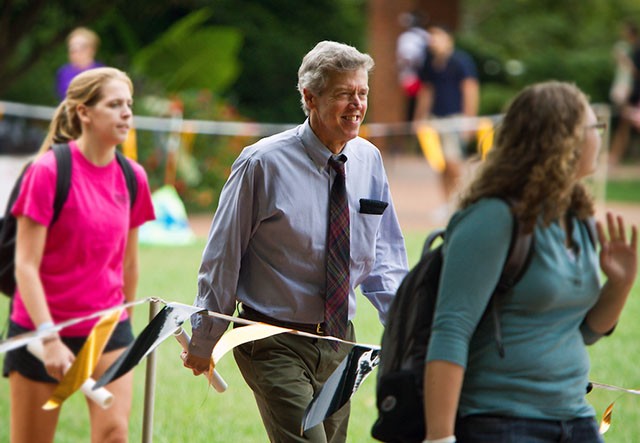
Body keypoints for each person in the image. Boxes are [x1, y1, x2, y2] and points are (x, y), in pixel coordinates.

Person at [182, 41, 408, 442]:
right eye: (343, 94)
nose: (356, 104)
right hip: (270, 339)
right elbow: (223, 256)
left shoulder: (369, 160)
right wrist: (205, 337)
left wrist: (408, 330)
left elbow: (385, 259)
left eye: (362, 93)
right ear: (310, 97)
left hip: (341, 342)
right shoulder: (261, 164)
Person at [423, 81, 637, 443]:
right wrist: (440, 437)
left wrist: (619, 285)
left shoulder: (577, 215)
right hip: (502, 422)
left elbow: (582, 332)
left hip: (574, 417)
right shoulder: (493, 217)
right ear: (561, 139)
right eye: (593, 128)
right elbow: (451, 328)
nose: (600, 138)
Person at [3, 67, 155, 442]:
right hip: (41, 332)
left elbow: (130, 262)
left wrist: (125, 323)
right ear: (84, 112)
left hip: (105, 327)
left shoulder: (133, 176)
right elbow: (25, 265)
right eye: (115, 105)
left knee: (115, 433)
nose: (126, 114)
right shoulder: (46, 171)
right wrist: (50, 338)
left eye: (129, 105)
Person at [413, 24, 479, 209]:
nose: (433, 41)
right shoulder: (429, 63)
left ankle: (463, 202)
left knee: (453, 162)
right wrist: (420, 118)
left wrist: (469, 119)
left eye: (437, 36)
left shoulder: (461, 61)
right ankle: (447, 203)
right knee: (440, 163)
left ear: (448, 39)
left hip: (455, 118)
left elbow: (470, 89)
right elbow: (426, 92)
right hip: (436, 119)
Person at [609, 21, 640, 165]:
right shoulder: (632, 49)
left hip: (634, 93)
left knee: (627, 123)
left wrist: (625, 61)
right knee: (625, 123)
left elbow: (636, 73)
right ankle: (614, 157)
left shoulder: (637, 50)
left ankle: (614, 157)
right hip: (632, 93)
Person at [396, 11, 430, 122]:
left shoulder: (407, 37)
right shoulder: (426, 35)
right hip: (424, 75)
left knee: (413, 104)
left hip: (413, 76)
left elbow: (407, 57)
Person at [55, 27, 104, 101]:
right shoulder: (63, 72)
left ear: (91, 49)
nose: (75, 52)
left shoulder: (102, 73)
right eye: (72, 48)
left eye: (81, 47)